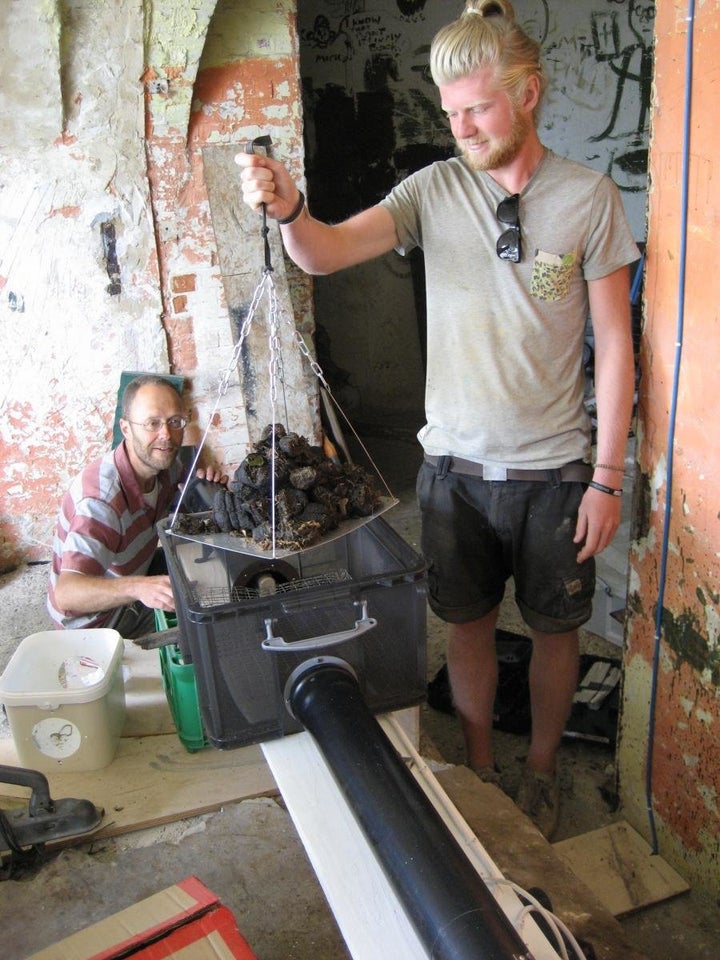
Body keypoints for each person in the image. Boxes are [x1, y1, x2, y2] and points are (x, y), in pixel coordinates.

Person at [235, 0, 638, 838]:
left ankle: (541, 769)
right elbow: (328, 250)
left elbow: (616, 342)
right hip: (454, 470)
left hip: (559, 472)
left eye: (478, 109)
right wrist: (288, 209)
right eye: (450, 113)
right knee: (467, 628)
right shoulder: (431, 190)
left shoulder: (589, 199)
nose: (462, 128)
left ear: (530, 92)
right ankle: (484, 760)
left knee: (559, 631)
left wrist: (607, 476)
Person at [48, 374, 228, 639]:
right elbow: (68, 595)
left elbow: (187, 503)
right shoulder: (100, 501)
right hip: (95, 624)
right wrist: (140, 589)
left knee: (206, 574)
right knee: (214, 625)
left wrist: (208, 486)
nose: (166, 435)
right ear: (126, 427)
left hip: (130, 572)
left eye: (174, 422)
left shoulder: (165, 466)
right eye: (152, 423)